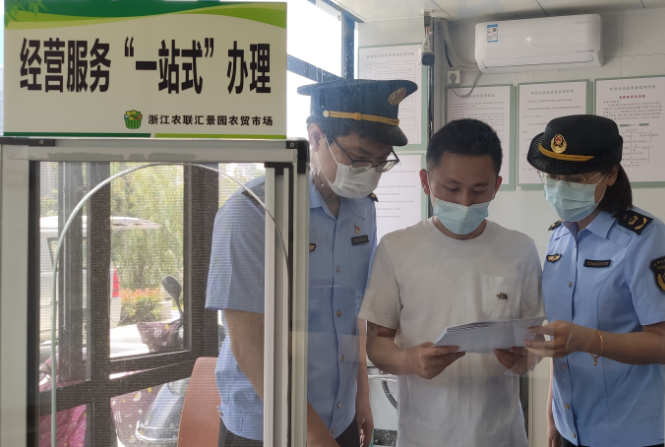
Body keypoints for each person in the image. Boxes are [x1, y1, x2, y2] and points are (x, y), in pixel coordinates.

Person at [205, 78, 418, 447]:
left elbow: (355, 313)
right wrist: (311, 433)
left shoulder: (363, 209)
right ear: (316, 137)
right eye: (359, 158)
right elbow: (249, 343)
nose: (370, 172)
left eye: (381, 161)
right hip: (268, 425)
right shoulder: (254, 211)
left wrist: (361, 394)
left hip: (339, 417)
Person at [358, 118, 544, 447]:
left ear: (496, 186)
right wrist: (408, 361)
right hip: (424, 436)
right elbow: (377, 343)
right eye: (452, 189)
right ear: (425, 181)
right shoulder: (396, 249)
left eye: (479, 190)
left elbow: (535, 338)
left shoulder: (520, 249)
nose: (465, 202)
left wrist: (527, 359)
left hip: (501, 435)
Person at [524, 115, 665, 447]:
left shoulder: (645, 239)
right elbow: (561, 336)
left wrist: (590, 341)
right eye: (552, 177)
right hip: (570, 426)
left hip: (630, 431)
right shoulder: (558, 237)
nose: (560, 188)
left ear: (611, 174)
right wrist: (553, 412)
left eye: (575, 179)